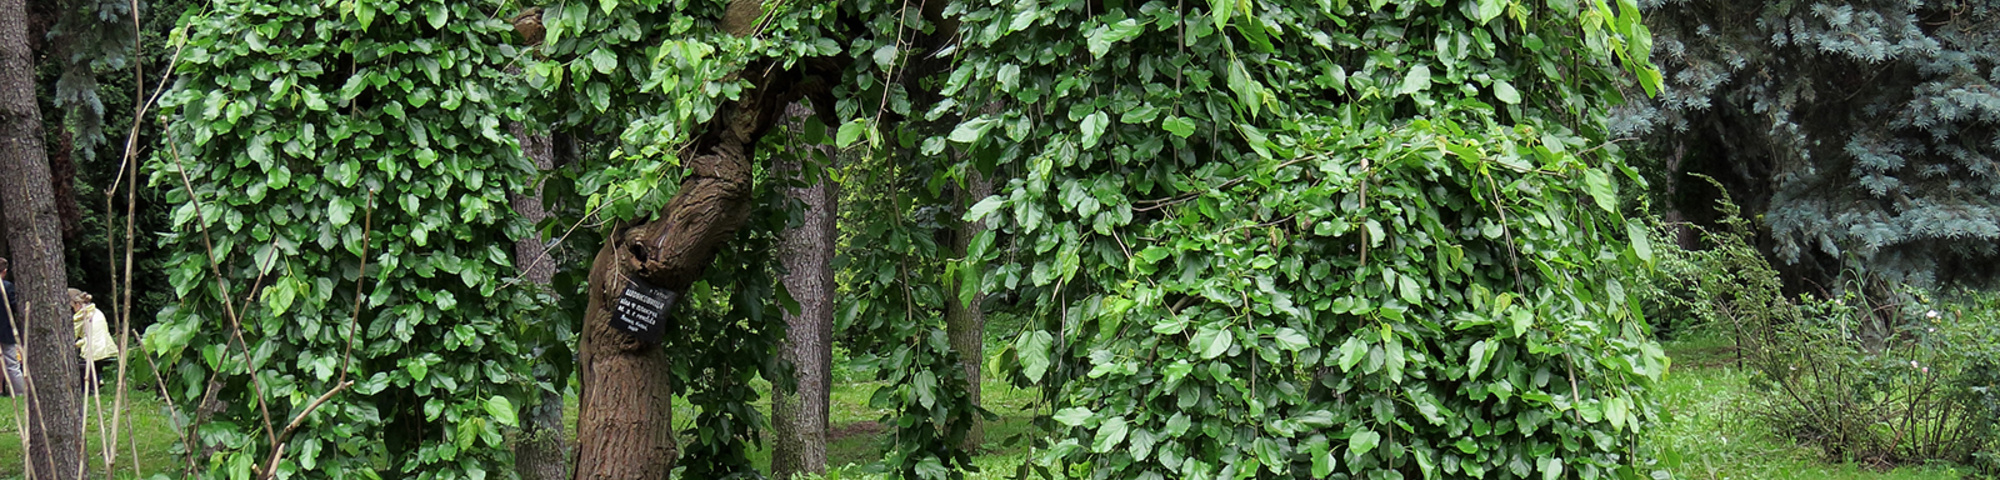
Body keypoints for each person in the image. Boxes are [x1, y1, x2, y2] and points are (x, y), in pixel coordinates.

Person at [71, 288, 115, 395]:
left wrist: (75, 344)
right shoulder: (96, 311)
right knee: (95, 364)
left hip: (92, 348)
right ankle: (98, 379)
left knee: (84, 364)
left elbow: (73, 335)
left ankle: (88, 389)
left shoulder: (81, 315)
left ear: (77, 304)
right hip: (105, 347)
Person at [1, 257, 24, 396]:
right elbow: (15, 306)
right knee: (12, 364)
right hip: (5, 330)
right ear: (4, 271)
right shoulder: (8, 287)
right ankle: (20, 392)